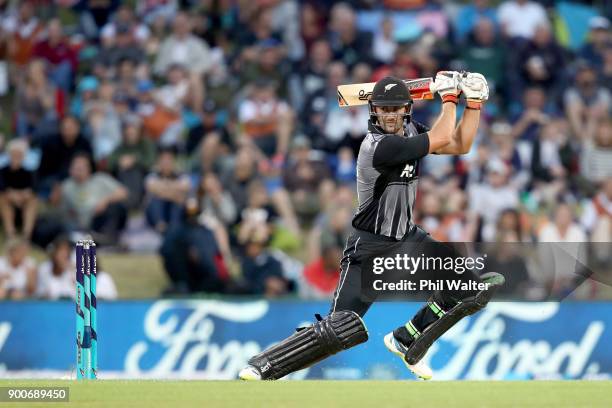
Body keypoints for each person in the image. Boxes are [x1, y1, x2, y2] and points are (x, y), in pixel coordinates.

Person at [239, 73, 504, 381]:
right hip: (370, 249)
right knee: (339, 328)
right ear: (373, 110)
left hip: (407, 239)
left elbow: (459, 144)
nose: (389, 115)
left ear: (407, 109)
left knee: (466, 287)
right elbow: (442, 137)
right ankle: (263, 366)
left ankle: (407, 337)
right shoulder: (377, 146)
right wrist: (448, 97)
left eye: (395, 109)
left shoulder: (412, 130)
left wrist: (473, 104)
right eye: (383, 109)